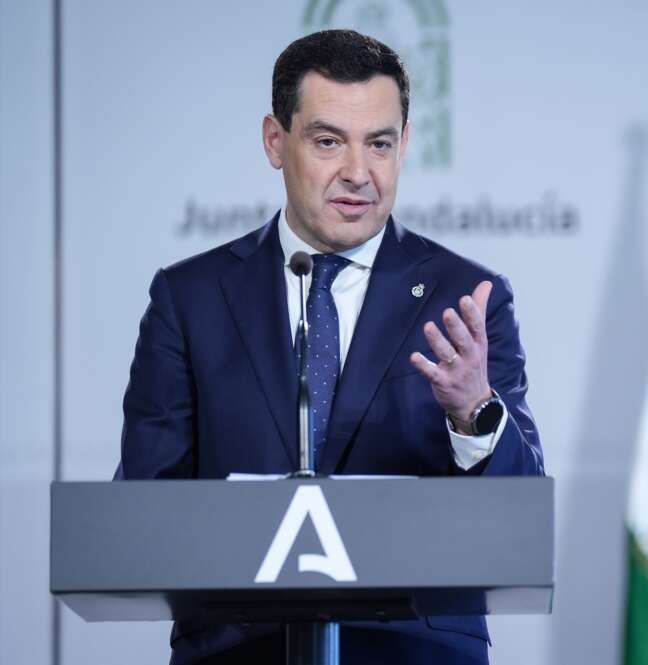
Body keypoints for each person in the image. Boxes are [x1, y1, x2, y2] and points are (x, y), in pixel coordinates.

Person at [115, 29, 544, 665]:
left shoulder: (467, 300)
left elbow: (521, 513)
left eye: (379, 144)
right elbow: (146, 509)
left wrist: (473, 413)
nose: (357, 173)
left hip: (412, 650)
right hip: (240, 649)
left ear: (403, 147)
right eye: (327, 141)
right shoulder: (191, 298)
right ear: (274, 141)